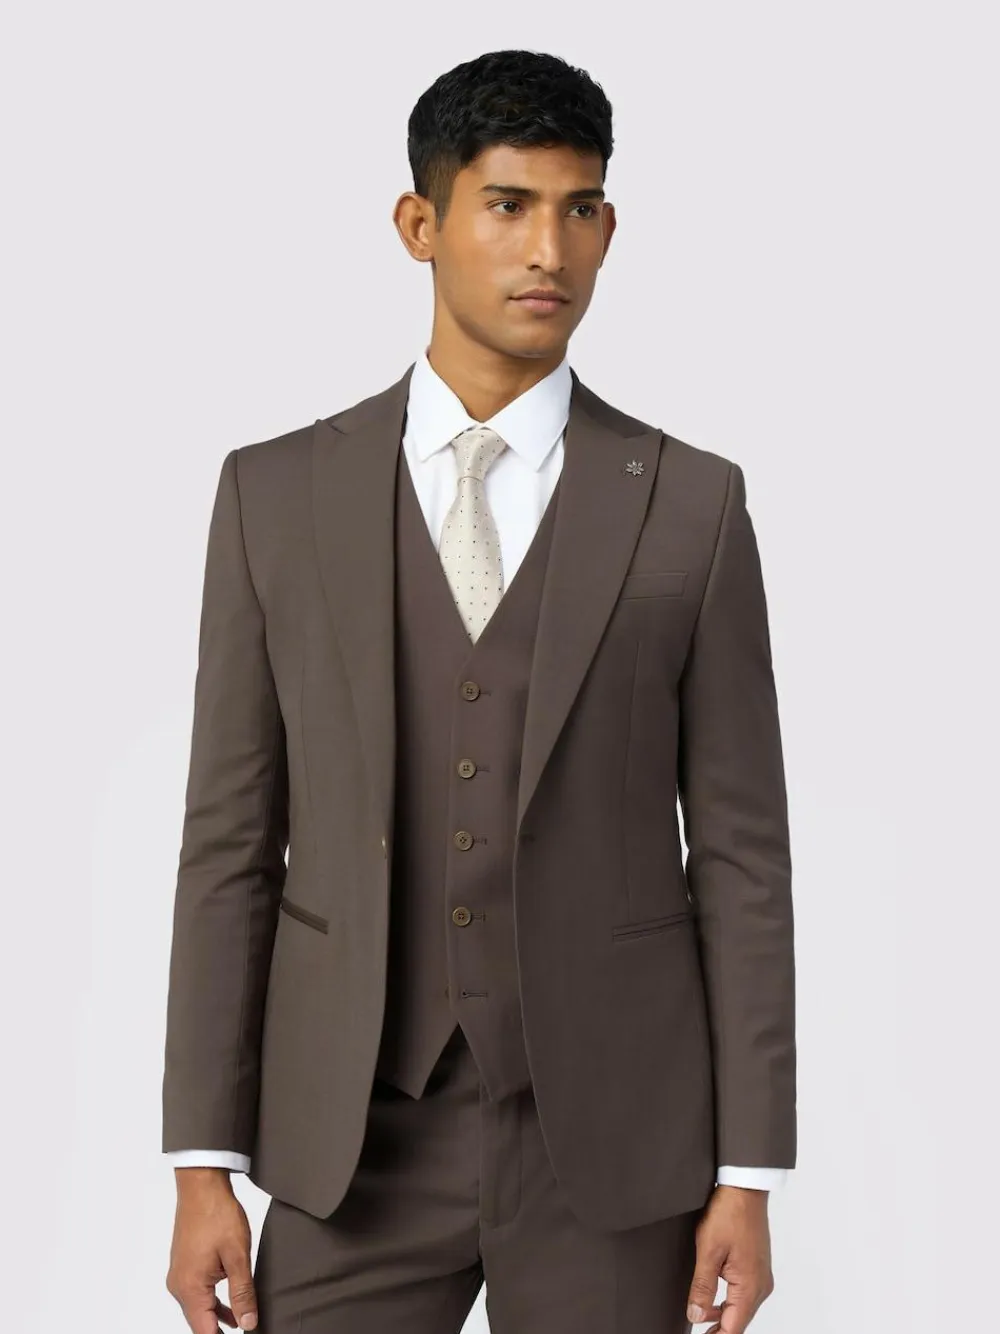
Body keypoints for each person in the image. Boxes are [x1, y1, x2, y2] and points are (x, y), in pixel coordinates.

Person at [162, 47, 796, 1334]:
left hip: (611, 1138)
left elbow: (740, 856)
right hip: (353, 1141)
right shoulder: (273, 496)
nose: (547, 250)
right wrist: (201, 1162)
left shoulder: (691, 505)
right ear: (421, 224)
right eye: (507, 205)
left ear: (609, 227)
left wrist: (749, 1171)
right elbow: (228, 843)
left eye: (579, 208)